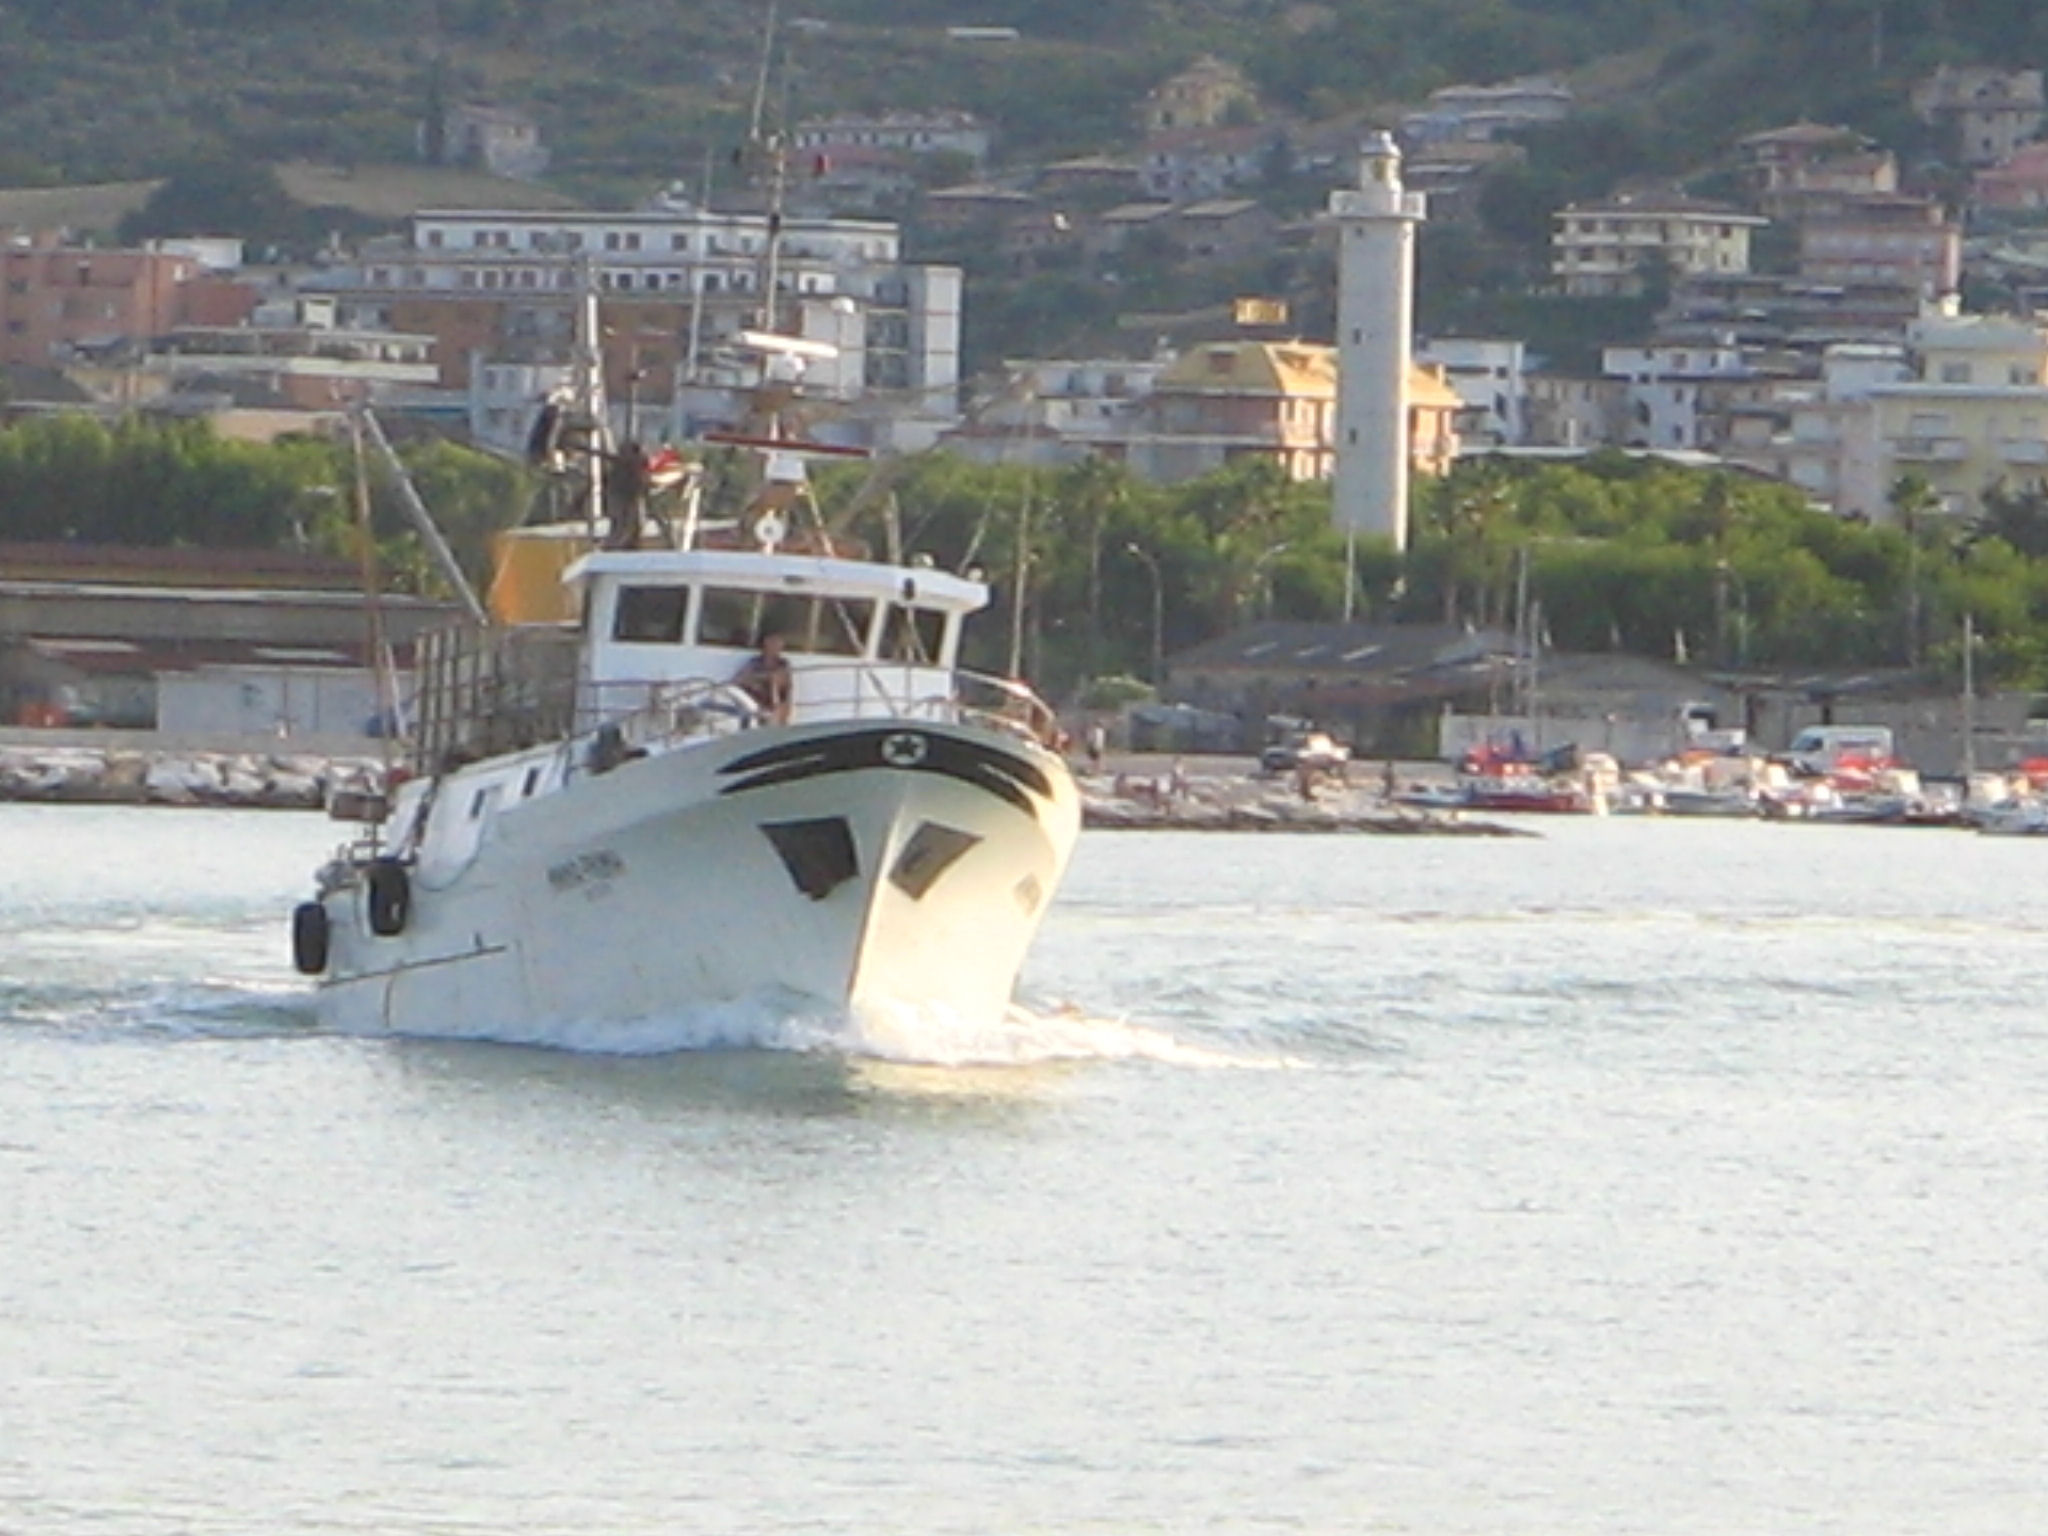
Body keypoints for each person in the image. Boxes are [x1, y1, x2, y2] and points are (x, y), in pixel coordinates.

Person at [734, 632, 792, 724]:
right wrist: (762, 678)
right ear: (765, 644)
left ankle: (779, 721)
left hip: (776, 699)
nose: (776, 647)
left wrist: (773, 680)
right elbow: (738, 680)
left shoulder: (783, 664)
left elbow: (787, 684)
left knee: (780, 688)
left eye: (779, 644)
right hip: (756, 699)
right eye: (773, 643)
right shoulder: (755, 662)